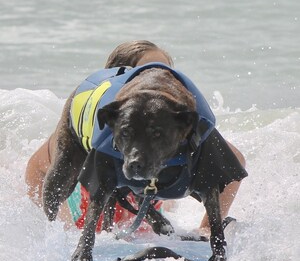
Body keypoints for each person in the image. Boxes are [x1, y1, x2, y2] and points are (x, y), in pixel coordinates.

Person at [25, 40, 246, 236]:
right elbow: (36, 171)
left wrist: (206, 228)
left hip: (144, 224)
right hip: (82, 215)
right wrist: (62, 230)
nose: (157, 77)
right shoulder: (86, 136)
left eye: (165, 71)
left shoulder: (169, 137)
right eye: (145, 71)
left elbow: (234, 166)